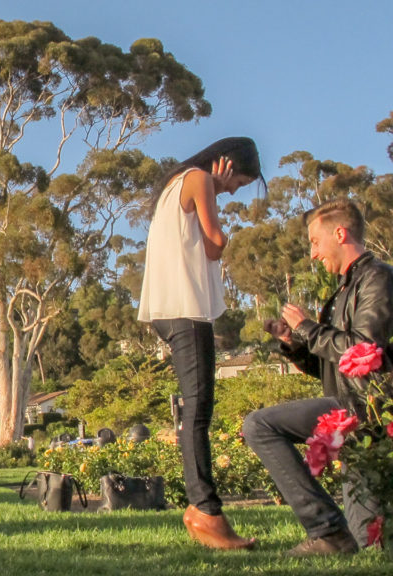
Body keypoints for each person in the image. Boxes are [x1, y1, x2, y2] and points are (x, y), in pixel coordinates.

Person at [242, 199, 393, 556]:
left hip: (370, 407)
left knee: (259, 425)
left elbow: (363, 349)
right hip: (349, 408)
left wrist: (306, 327)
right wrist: (293, 343)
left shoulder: (380, 277)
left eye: (315, 242)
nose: (314, 254)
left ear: (340, 233)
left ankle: (327, 530)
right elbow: (332, 365)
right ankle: (337, 534)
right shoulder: (342, 293)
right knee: (370, 545)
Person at [138, 137, 264, 550]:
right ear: (226, 165)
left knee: (197, 410)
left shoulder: (177, 183)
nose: (234, 189)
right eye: (239, 183)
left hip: (169, 310)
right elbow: (216, 245)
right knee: (198, 412)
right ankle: (205, 511)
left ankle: (203, 509)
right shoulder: (199, 180)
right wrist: (219, 193)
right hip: (186, 309)